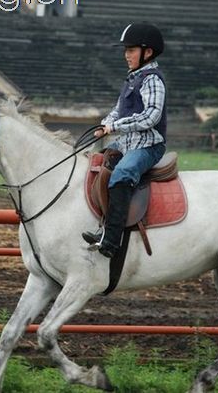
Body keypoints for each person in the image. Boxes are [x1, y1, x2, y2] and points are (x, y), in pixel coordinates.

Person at [82, 23, 167, 258]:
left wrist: (115, 127)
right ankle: (99, 223)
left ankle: (111, 240)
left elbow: (151, 116)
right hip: (127, 142)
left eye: (131, 50)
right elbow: (117, 111)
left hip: (149, 145)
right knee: (91, 161)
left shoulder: (152, 80)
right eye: (126, 50)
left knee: (122, 174)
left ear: (147, 52)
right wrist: (104, 125)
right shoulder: (132, 79)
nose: (126, 55)